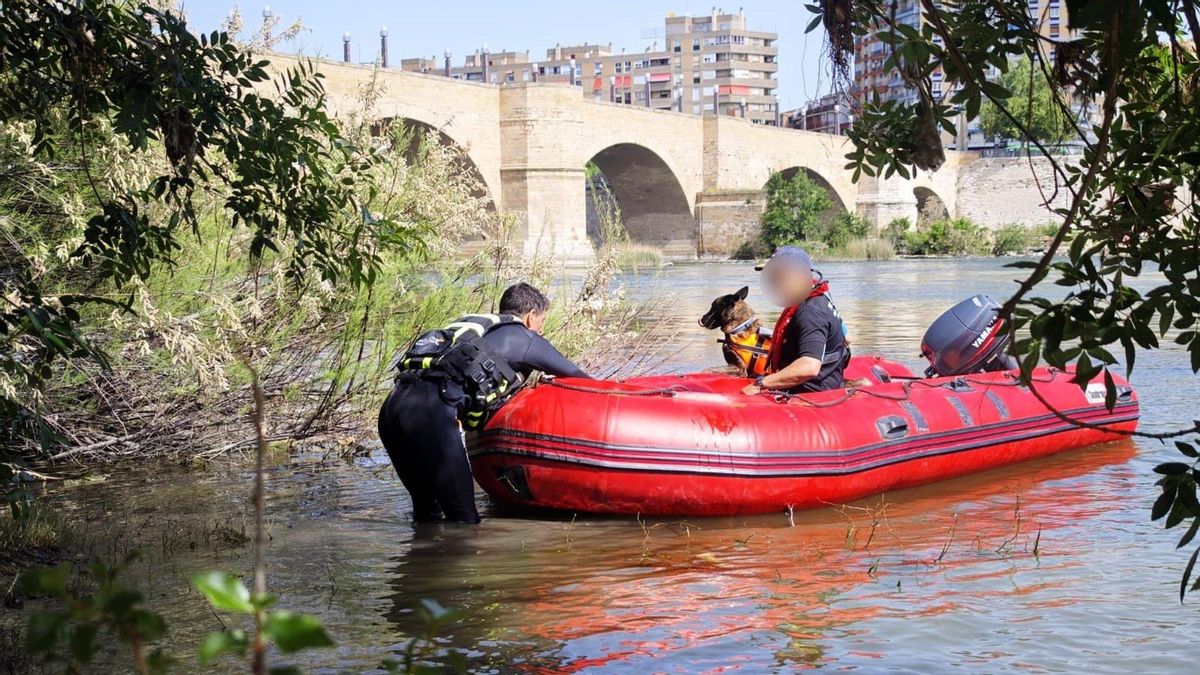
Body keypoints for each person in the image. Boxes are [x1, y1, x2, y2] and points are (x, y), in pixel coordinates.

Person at [379, 282, 589, 524]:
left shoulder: (475, 328)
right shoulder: (526, 338)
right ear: (531, 317)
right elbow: (582, 379)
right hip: (431, 415)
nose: (540, 330)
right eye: (542, 322)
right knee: (464, 522)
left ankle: (422, 559)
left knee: (427, 516)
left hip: (392, 410)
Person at [741, 246, 848, 395]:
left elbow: (810, 366)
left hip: (809, 396)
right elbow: (847, 338)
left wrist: (762, 384)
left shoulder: (810, 311)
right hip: (815, 386)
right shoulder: (818, 298)